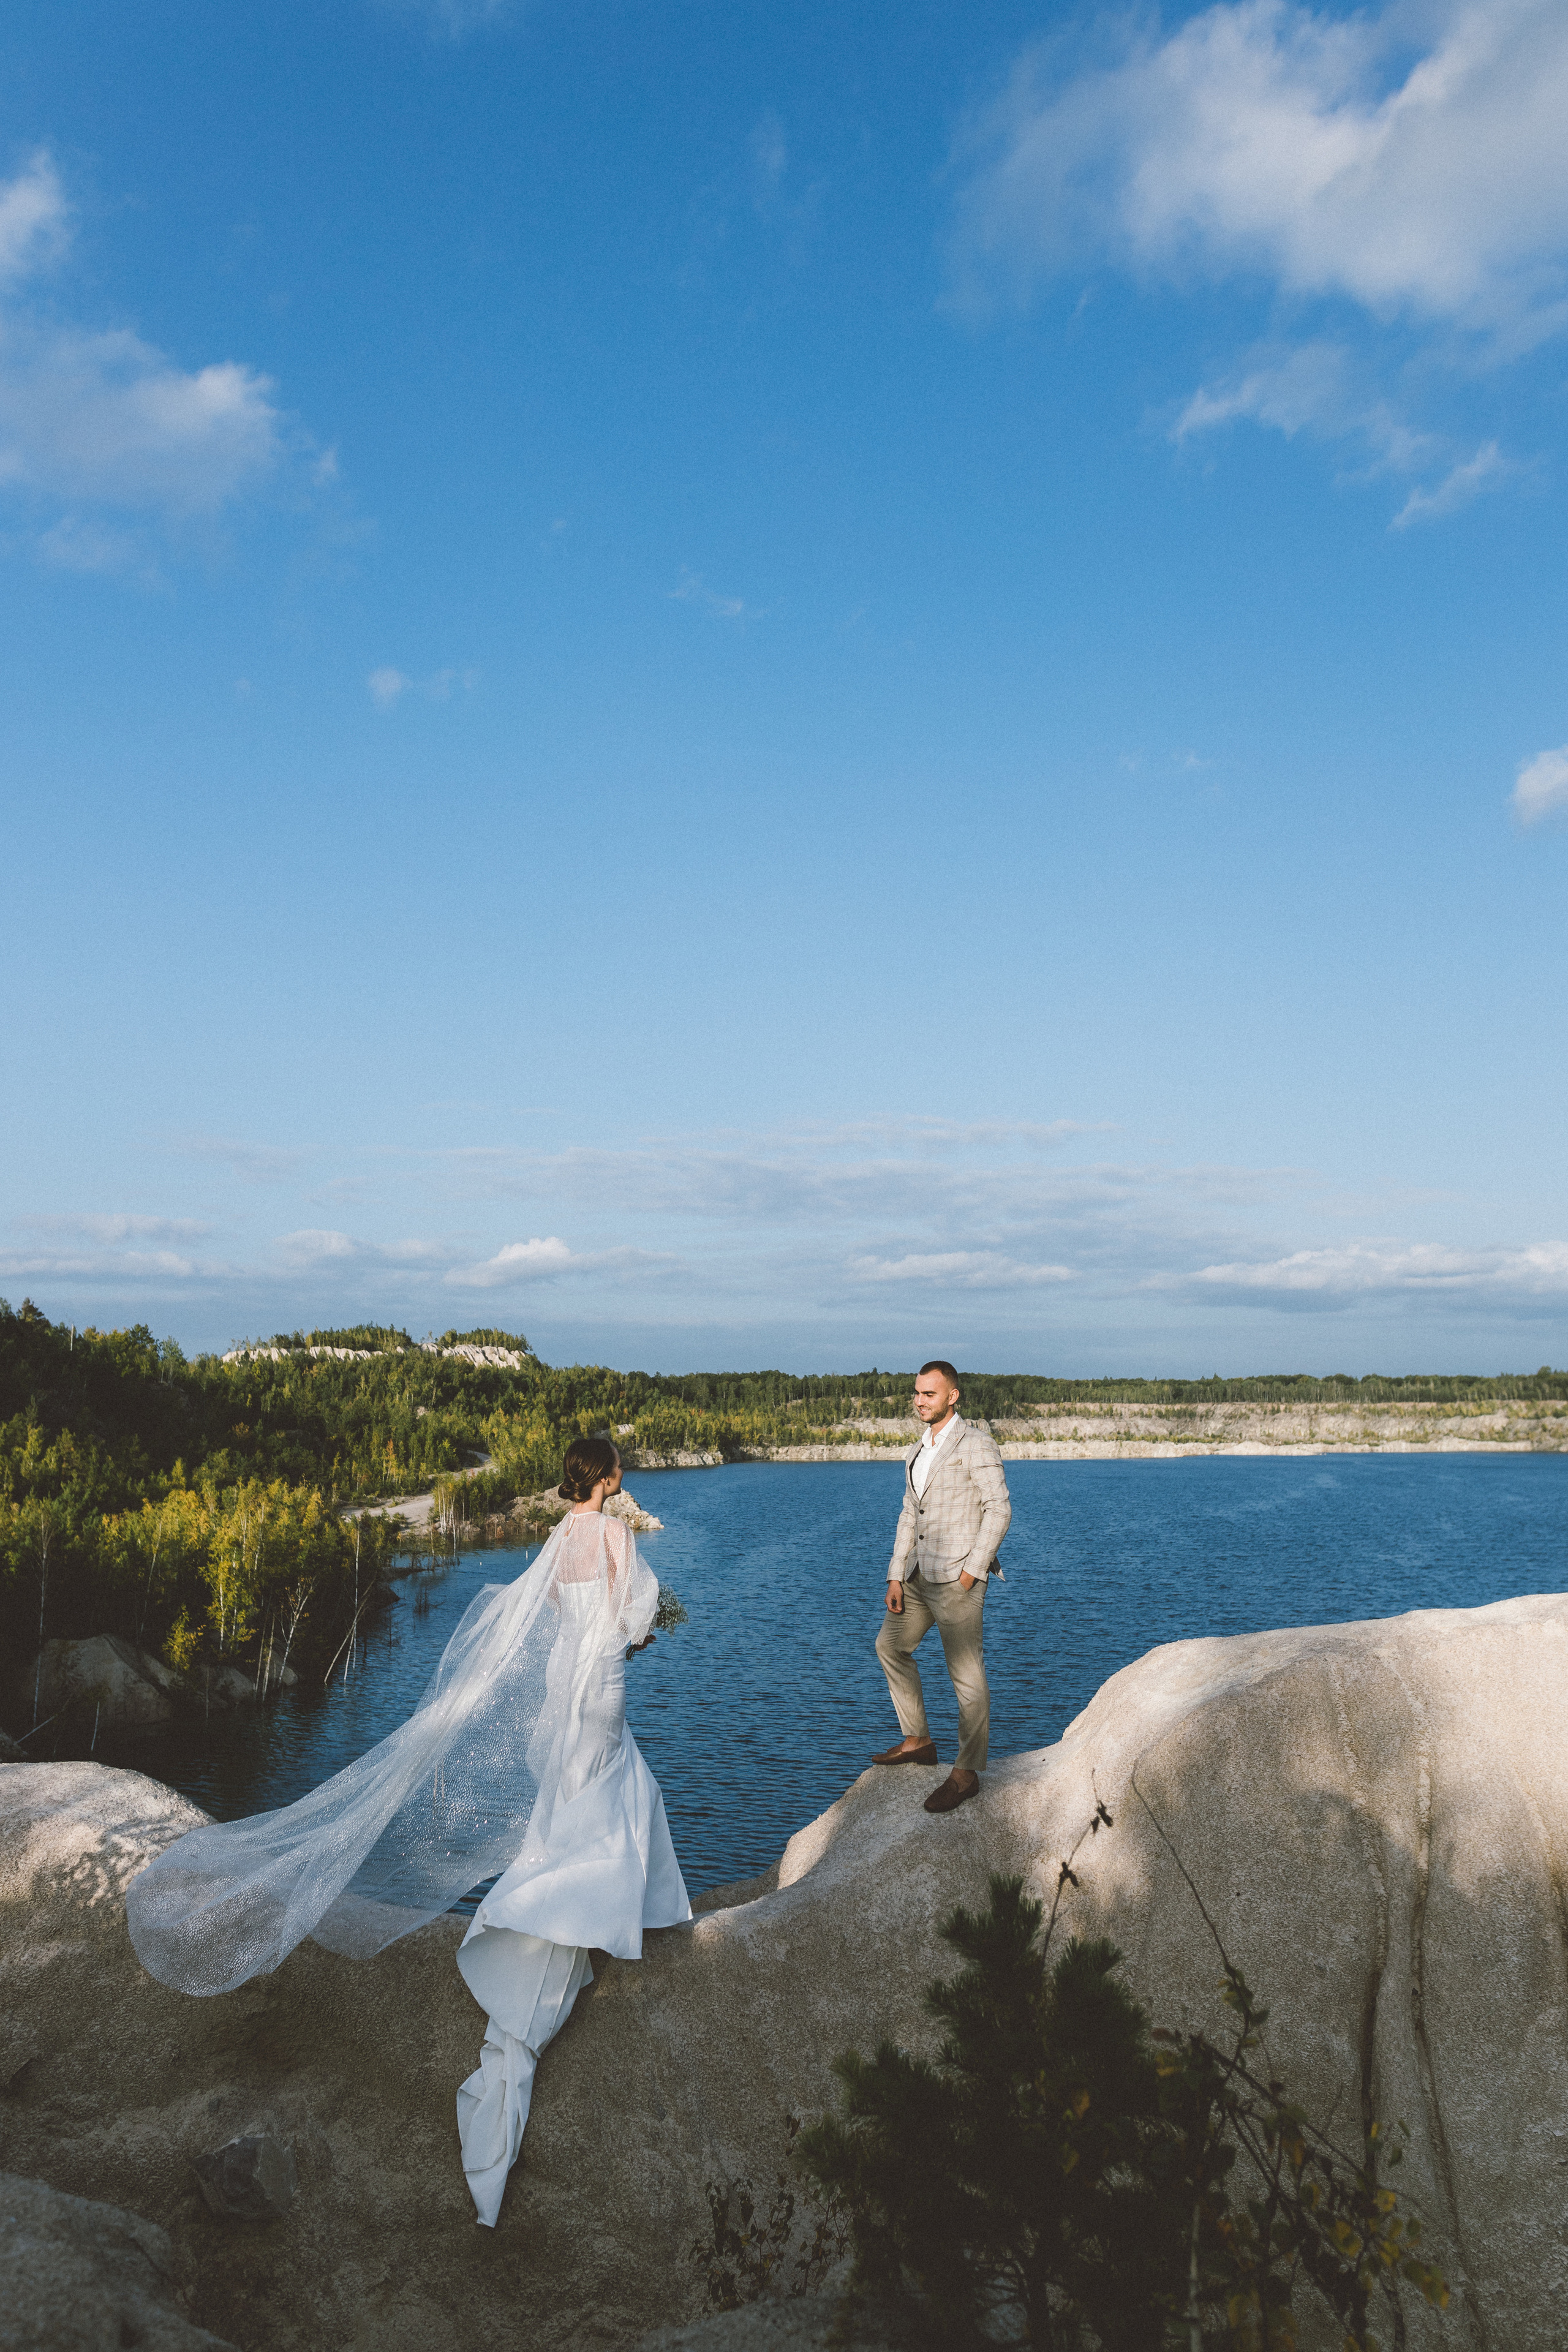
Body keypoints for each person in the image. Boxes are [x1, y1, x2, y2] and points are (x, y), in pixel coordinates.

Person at [126, 1434, 689, 2229]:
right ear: (613, 1477)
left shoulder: (560, 1536)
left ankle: (602, 1903)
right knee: (607, 1788)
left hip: (568, 1676)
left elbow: (561, 1614)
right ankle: (579, 1913)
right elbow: (646, 1620)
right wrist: (645, 1614)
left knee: (591, 1790)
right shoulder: (617, 1532)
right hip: (599, 1685)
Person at [873, 1360, 1011, 1815]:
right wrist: (896, 1573)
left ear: (953, 1396)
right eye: (916, 1392)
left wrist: (972, 1570)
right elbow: (910, 1515)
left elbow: (999, 1509)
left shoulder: (977, 1445)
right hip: (916, 1577)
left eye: (929, 1394)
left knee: (967, 1678)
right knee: (890, 1647)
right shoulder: (917, 1450)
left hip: (957, 1580)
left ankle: (966, 1773)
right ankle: (918, 1740)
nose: (919, 1401)